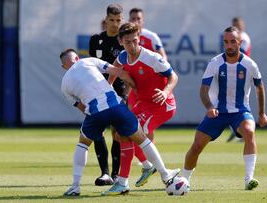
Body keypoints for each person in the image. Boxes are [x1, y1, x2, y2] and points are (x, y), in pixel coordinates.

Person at [60, 48, 179, 196]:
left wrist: (96, 119)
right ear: (77, 58)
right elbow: (118, 72)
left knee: (83, 143)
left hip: (95, 112)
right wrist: (133, 86)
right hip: (116, 105)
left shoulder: (64, 84)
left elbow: (81, 107)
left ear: (64, 66)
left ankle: (75, 186)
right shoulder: (88, 61)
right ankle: (165, 174)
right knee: (141, 139)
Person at [181, 26, 267, 190]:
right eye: (226, 42)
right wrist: (209, 106)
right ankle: (184, 180)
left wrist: (262, 113)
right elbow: (203, 89)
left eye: (233, 42)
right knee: (197, 146)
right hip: (218, 113)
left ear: (240, 43)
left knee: (249, 132)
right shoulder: (215, 63)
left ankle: (249, 179)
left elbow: (259, 87)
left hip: (240, 112)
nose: (229, 45)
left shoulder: (250, 64)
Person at [103, 22, 179, 195]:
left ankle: (125, 181)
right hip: (144, 104)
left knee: (129, 134)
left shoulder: (152, 58)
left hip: (162, 105)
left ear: (139, 39)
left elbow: (173, 76)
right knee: (119, 134)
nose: (133, 45)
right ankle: (150, 167)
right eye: (128, 42)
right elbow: (115, 70)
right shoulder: (123, 57)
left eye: (135, 41)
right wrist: (108, 89)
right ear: (121, 41)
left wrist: (166, 92)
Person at [88, 4, 124, 185]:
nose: (115, 24)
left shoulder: (124, 41)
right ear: (106, 20)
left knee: (117, 134)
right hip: (98, 92)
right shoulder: (96, 40)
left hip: (119, 93)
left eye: (118, 20)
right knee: (97, 131)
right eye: (112, 20)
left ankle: (116, 174)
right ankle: (105, 173)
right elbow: (91, 68)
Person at [127, 7, 168, 109]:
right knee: (131, 111)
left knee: (149, 111)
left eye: (138, 18)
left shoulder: (152, 37)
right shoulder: (125, 38)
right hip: (133, 81)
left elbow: (163, 58)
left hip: (150, 83)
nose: (136, 21)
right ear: (129, 20)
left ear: (143, 20)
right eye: (133, 18)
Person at [227, 17, 252, 142]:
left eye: (238, 25)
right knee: (231, 101)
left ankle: (242, 128)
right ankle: (236, 128)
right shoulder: (234, 39)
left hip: (242, 73)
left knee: (241, 102)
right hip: (234, 73)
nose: (237, 27)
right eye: (234, 25)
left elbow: (239, 54)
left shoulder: (244, 38)